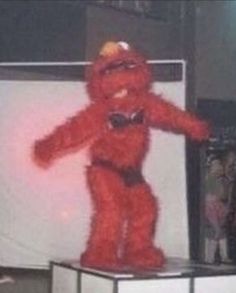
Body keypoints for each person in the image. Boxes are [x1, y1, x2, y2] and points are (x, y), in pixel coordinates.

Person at [204, 156, 230, 263]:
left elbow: (222, 195)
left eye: (219, 164)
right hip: (211, 208)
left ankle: (222, 256)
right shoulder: (209, 179)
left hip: (217, 207)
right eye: (216, 164)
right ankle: (209, 258)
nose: (218, 167)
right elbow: (209, 197)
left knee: (219, 232)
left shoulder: (219, 180)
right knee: (215, 231)